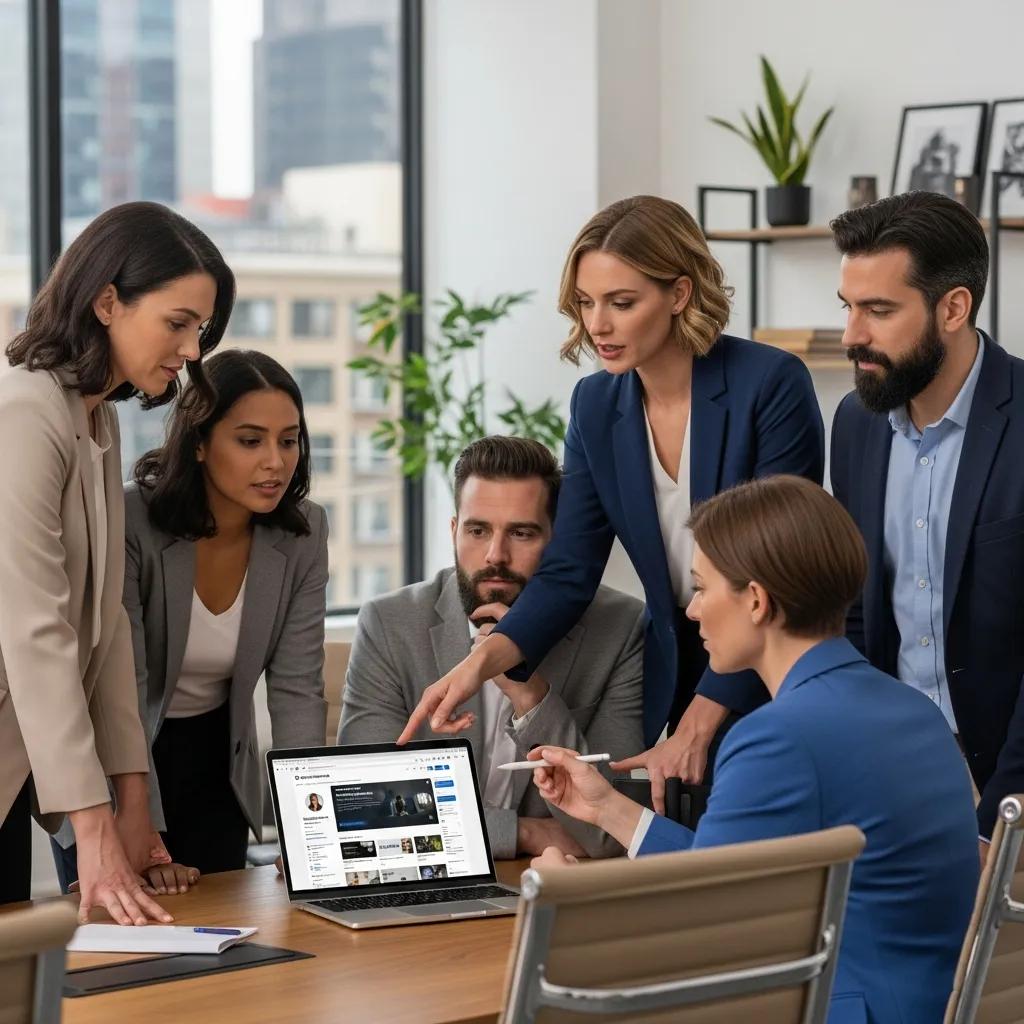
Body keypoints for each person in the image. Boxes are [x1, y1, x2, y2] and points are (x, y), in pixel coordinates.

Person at [399, 195, 824, 812]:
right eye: (586, 303)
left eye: (622, 303)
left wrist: (701, 723)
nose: (598, 324)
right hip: (681, 663)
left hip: (772, 663)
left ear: (679, 294)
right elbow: (569, 570)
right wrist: (477, 667)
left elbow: (781, 565)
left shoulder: (771, 383)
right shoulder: (596, 405)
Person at [528, 476, 979, 1024]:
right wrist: (608, 809)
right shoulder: (916, 711)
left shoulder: (777, 737)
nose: (692, 611)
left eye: (701, 588)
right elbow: (722, 878)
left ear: (757, 601)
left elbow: (708, 930)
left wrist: (571, 896)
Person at [0, 201, 234, 921]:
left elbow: (105, 630)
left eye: (199, 329)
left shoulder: (91, 416)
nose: (193, 350)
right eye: (178, 322)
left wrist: (134, 806)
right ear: (107, 301)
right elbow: (36, 633)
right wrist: (94, 830)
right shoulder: (25, 409)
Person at [52, 350, 329, 888]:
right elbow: (121, 685)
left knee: (223, 940)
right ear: (199, 442)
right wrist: (138, 822)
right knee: (121, 946)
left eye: (289, 440)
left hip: (218, 759)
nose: (275, 462)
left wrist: (306, 826)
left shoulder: (304, 533)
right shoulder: (133, 519)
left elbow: (297, 688)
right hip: (116, 757)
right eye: (250, 441)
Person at [829, 191, 1024, 860]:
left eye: (879, 311)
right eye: (848, 307)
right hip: (896, 782)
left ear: (954, 307)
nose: (853, 335)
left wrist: (1002, 816)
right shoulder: (854, 425)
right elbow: (855, 613)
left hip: (1011, 791)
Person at [340, 436, 645, 858]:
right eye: (477, 530)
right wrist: (523, 834)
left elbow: (617, 832)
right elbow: (366, 812)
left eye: (521, 533)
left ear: (560, 542)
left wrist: (529, 694)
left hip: (557, 887)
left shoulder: (621, 628)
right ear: (454, 531)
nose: (495, 555)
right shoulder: (390, 625)